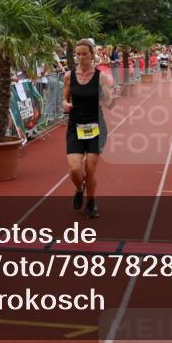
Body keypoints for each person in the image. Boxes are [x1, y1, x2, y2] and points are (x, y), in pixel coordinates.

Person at [63, 39, 120, 220]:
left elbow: (109, 105)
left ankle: (91, 202)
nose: (80, 57)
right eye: (77, 54)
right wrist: (65, 104)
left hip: (96, 127)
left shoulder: (100, 77)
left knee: (90, 169)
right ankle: (80, 189)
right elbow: (65, 99)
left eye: (84, 54)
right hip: (75, 126)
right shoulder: (68, 76)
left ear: (91, 55)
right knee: (74, 169)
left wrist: (115, 97)